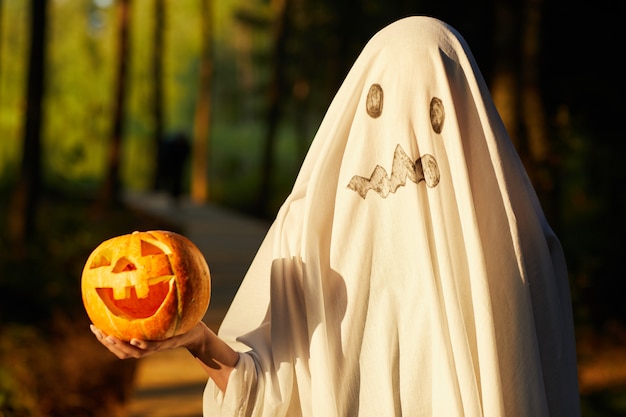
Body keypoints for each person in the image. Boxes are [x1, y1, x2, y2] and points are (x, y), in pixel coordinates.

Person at [91, 16, 581, 416]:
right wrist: (197, 339)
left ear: (462, 120)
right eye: (380, 108)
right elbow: (263, 393)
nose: (398, 160)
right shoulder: (306, 232)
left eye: (432, 115)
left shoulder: (518, 246)